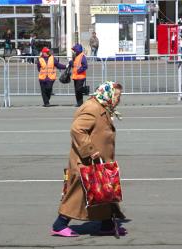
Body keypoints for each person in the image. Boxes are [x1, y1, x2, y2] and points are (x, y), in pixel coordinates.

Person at [51, 81, 126, 237]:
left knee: (103, 191)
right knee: (79, 193)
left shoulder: (102, 107)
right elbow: (77, 130)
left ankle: (106, 225)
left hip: (98, 161)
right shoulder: (92, 109)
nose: (119, 99)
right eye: (118, 95)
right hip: (86, 161)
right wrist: (90, 150)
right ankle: (59, 224)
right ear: (108, 94)